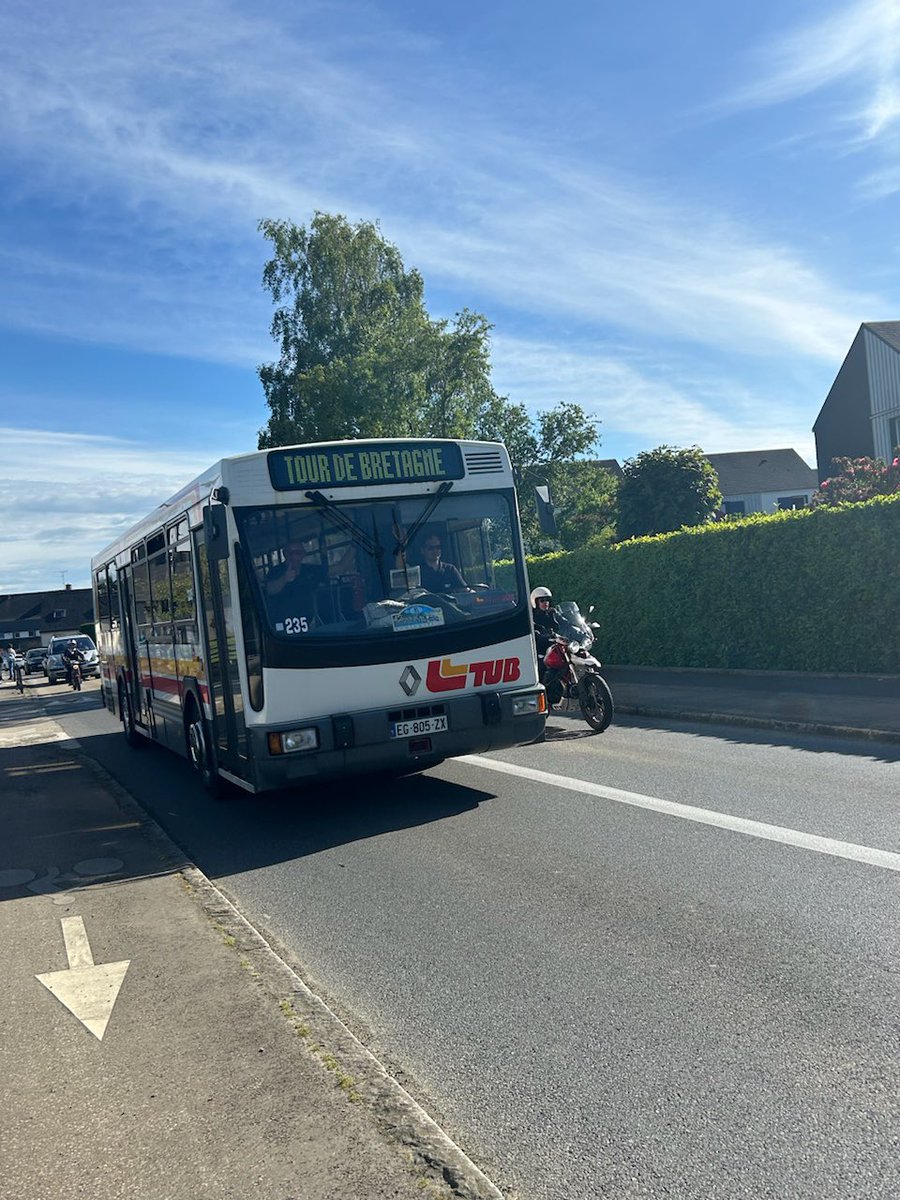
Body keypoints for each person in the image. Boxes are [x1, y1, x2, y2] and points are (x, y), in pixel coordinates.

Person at [530, 586, 560, 663]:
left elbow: (566, 624)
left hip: (558, 646)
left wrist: (580, 631)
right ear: (535, 602)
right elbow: (535, 632)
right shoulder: (531, 617)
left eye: (547, 600)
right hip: (543, 651)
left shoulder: (552, 613)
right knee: (543, 666)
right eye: (542, 600)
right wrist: (545, 636)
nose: (546, 603)